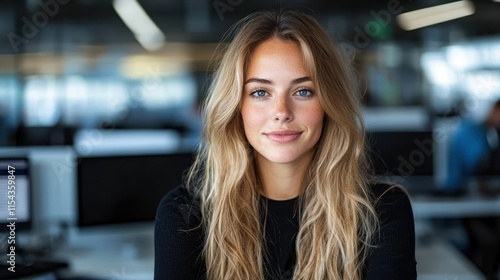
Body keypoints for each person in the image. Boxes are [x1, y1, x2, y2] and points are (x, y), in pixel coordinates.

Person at [155, 10, 416, 280]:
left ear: (329, 103)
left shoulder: (382, 210)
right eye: (260, 92)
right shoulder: (185, 215)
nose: (282, 112)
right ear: (236, 106)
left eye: (303, 91)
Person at [444, 98, 500, 195]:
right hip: (458, 192)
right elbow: (476, 166)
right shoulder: (469, 133)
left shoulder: (484, 133)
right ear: (494, 110)